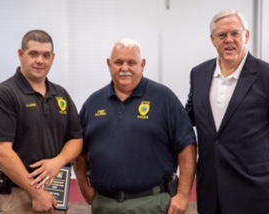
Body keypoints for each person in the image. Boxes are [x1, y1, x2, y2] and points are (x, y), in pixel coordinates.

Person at [185, 9, 269, 214]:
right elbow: (191, 116)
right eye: (221, 35)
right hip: (212, 191)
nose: (229, 40)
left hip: (257, 191)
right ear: (212, 40)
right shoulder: (199, 73)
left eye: (235, 33)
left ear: (247, 36)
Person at [73, 38, 197, 214]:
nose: (125, 68)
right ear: (109, 64)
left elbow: (187, 146)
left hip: (153, 203)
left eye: (131, 62)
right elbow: (78, 150)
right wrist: (84, 187)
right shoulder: (93, 103)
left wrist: (184, 194)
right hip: (104, 204)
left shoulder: (164, 98)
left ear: (143, 64)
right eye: (118, 62)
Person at [0, 29, 83, 213]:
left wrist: (59, 161)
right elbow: (1, 151)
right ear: (21, 55)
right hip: (15, 196)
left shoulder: (61, 95)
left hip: (54, 194)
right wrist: (36, 193)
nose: (40, 61)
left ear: (53, 58)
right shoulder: (3, 95)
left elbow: (76, 138)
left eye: (46, 55)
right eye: (33, 54)